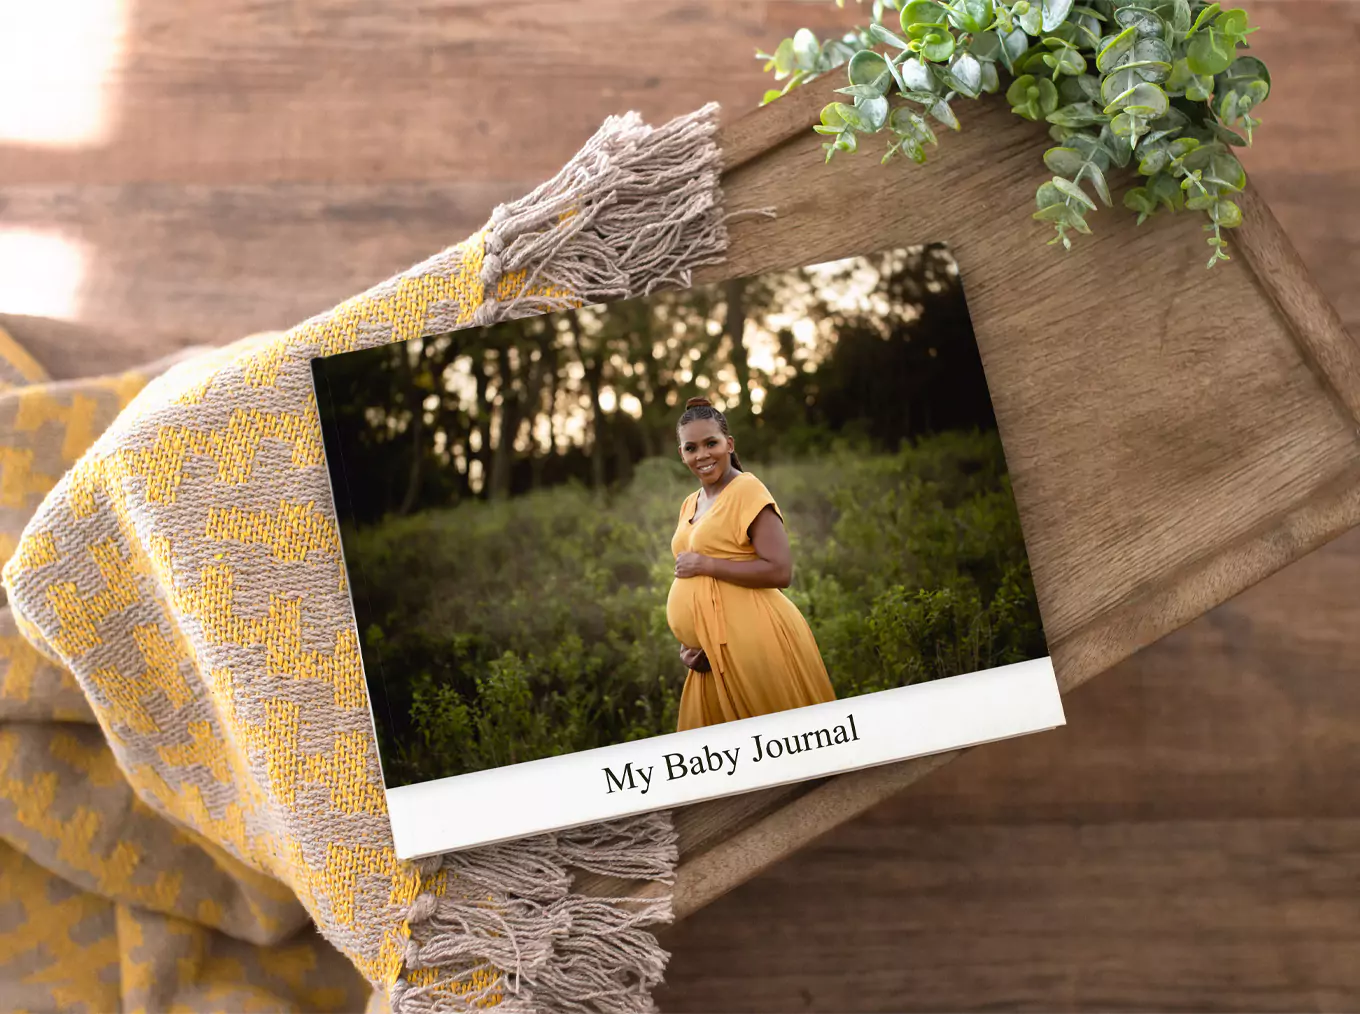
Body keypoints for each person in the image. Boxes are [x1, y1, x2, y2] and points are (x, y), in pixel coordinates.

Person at [666, 396, 837, 731]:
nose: (702, 455)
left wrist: (705, 564)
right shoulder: (690, 503)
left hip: (756, 638)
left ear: (729, 444)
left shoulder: (747, 489)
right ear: (681, 454)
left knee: (781, 744)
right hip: (711, 654)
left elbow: (779, 570)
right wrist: (691, 643)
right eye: (691, 447)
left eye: (711, 443)